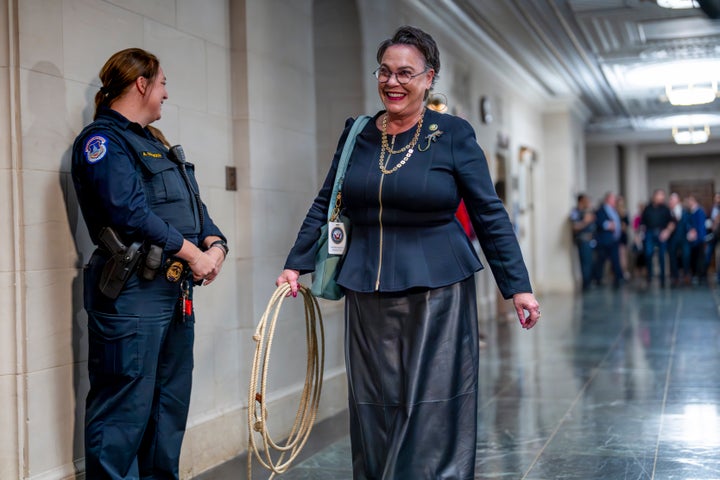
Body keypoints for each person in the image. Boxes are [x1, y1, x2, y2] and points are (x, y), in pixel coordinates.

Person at [276, 26, 540, 479]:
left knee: (430, 403)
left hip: (437, 286)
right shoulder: (356, 133)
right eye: (384, 71)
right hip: (365, 283)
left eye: (405, 73)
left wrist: (517, 286)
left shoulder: (453, 133)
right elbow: (328, 200)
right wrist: (295, 263)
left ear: (428, 77)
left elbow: (489, 214)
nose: (392, 82)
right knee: (374, 403)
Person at [71, 48, 228, 479]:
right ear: (141, 83)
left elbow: (195, 208)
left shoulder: (155, 143)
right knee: (124, 409)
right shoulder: (102, 142)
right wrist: (194, 254)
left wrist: (215, 245)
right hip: (132, 294)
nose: (165, 95)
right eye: (161, 84)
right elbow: (130, 213)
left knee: (167, 407)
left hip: (174, 292)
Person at [641, 189, 674, 288]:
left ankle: (663, 279)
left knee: (662, 256)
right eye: (660, 195)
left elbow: (671, 222)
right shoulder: (648, 208)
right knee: (648, 253)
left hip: (661, 233)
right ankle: (649, 277)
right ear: (655, 196)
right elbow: (643, 222)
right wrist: (640, 234)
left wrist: (667, 231)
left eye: (663, 196)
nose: (662, 198)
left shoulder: (665, 209)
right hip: (650, 233)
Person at [593, 192, 623, 288]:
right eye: (613, 199)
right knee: (601, 260)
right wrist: (608, 225)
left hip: (613, 239)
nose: (615, 201)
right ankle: (598, 278)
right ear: (608, 200)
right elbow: (599, 223)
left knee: (615, 259)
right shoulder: (601, 210)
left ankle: (618, 278)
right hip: (604, 240)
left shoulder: (614, 210)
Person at [570, 193, 596, 291]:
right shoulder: (575, 212)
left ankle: (589, 282)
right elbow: (574, 227)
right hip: (583, 240)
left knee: (590, 262)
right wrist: (585, 221)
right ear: (581, 201)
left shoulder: (588, 211)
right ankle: (586, 285)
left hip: (590, 240)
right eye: (586, 200)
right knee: (585, 263)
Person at [667, 193, 691, 287]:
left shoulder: (684, 211)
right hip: (672, 238)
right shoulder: (668, 212)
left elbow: (688, 223)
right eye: (670, 200)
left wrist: (690, 231)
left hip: (683, 237)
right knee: (672, 257)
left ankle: (686, 274)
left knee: (686, 255)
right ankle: (675, 276)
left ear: (677, 200)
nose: (671, 201)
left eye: (673, 199)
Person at [686, 195, 707, 282]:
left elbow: (701, 226)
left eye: (690, 200)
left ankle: (701, 275)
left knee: (700, 257)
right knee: (694, 257)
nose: (689, 202)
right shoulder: (690, 212)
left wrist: (699, 236)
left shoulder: (700, 211)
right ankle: (695, 273)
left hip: (699, 238)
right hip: (693, 239)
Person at [705, 192, 720, 282]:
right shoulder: (712, 208)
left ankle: (719, 277)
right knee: (708, 253)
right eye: (716, 198)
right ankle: (704, 273)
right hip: (712, 235)